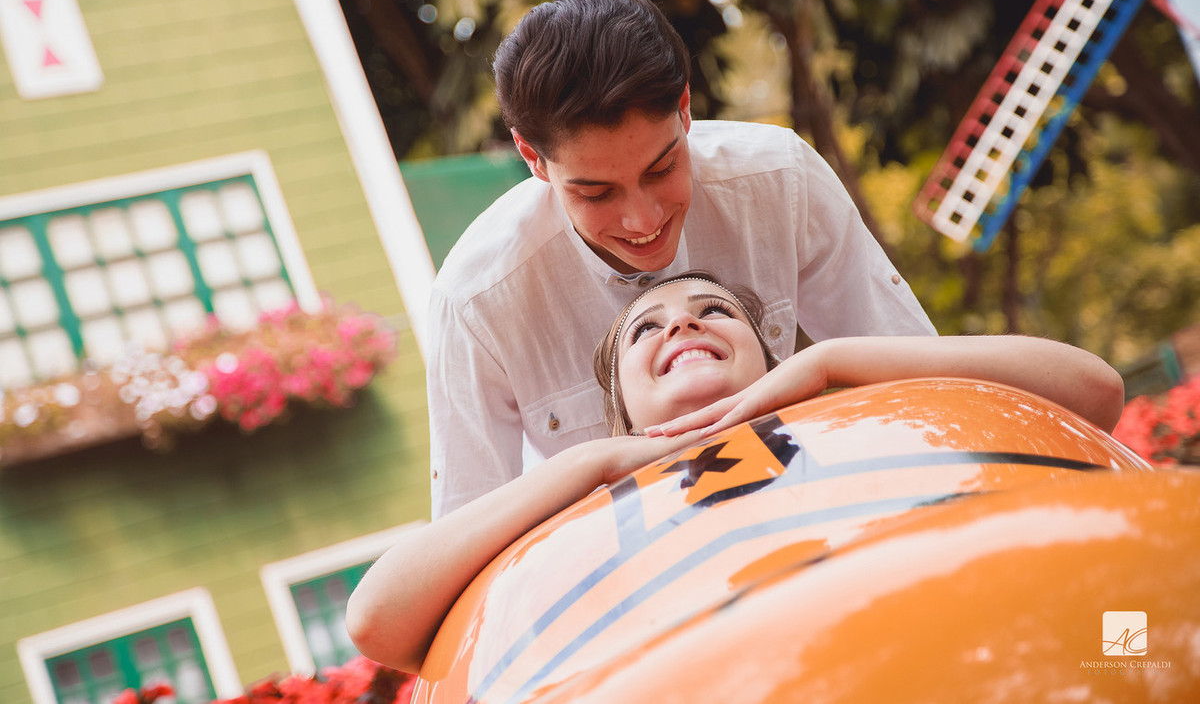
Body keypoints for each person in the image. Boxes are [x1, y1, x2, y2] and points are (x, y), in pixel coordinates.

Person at [348, 272, 1124, 673]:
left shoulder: (872, 417)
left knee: (1131, 637)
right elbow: (376, 620)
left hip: (966, 642)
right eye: (646, 330)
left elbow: (1093, 392)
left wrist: (831, 360)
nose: (681, 322)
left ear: (766, 356)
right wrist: (600, 458)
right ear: (622, 406)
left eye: (713, 311)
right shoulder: (582, 513)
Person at [427, 0, 936, 519]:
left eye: (662, 168)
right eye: (595, 193)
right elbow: (465, 540)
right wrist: (592, 468)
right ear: (533, 158)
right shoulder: (476, 302)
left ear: (685, 107)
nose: (643, 221)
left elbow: (929, 389)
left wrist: (830, 364)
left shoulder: (780, 181)